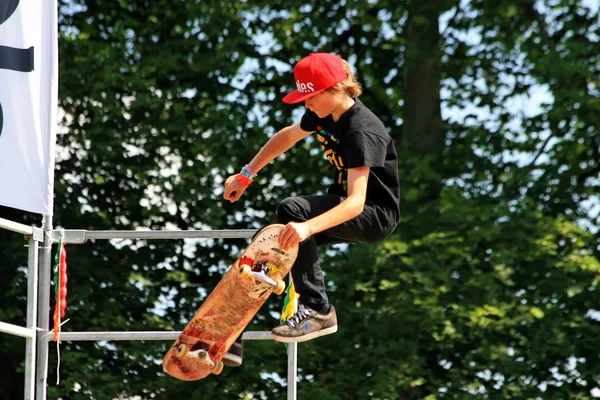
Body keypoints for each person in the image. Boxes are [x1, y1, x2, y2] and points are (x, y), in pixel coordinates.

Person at [221, 52, 400, 367]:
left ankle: (318, 309)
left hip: (373, 214)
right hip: (344, 206)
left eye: (310, 97)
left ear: (335, 89)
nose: (306, 104)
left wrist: (308, 227)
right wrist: (246, 174)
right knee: (274, 246)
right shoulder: (323, 114)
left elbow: (357, 202)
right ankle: (234, 333)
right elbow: (288, 137)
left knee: (293, 212)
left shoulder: (361, 130)